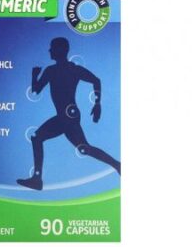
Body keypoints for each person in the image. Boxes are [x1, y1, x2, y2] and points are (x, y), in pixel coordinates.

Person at [17, 37, 121, 191]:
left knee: (37, 137)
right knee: (84, 148)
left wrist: (97, 104)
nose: (49, 51)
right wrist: (97, 103)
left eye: (52, 48)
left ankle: (37, 179)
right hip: (70, 115)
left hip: (66, 116)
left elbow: (35, 90)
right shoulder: (64, 70)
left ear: (60, 49)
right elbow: (96, 80)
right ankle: (117, 165)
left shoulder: (57, 70)